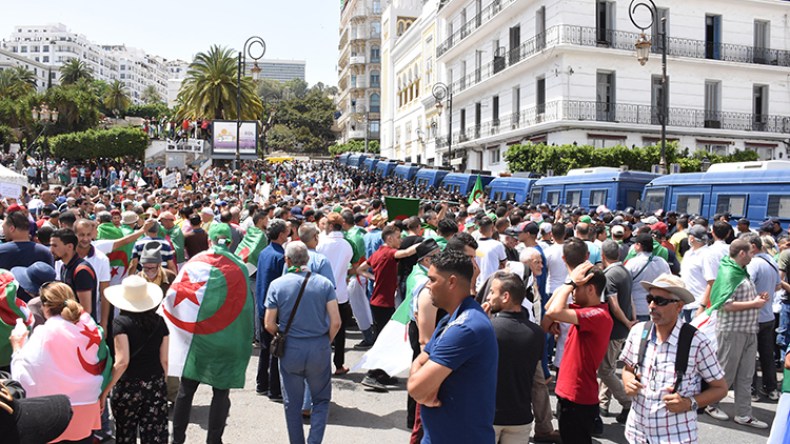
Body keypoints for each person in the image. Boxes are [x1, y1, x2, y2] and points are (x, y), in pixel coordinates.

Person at [620, 274, 728, 443]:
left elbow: (720, 388)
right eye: (650, 299)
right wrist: (628, 382)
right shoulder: (639, 332)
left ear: (679, 306)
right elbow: (627, 368)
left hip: (675, 437)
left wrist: (689, 403)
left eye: (660, 301)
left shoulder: (696, 342)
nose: (652, 306)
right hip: (637, 434)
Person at [407, 249, 498, 443]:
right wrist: (425, 390)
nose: (428, 286)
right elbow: (420, 361)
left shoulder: (465, 328)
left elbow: (416, 388)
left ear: (452, 282)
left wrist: (425, 390)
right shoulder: (450, 319)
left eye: (432, 279)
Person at [10, 281, 108, 443]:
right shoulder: (90, 325)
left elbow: (22, 377)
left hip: (54, 414)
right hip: (88, 406)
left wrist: (17, 347)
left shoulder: (45, 333)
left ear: (45, 306)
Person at [264, 241, 341, 444]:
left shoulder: (277, 285)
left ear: (287, 260)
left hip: (291, 348)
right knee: (321, 400)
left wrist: (283, 333)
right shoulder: (324, 284)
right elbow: (336, 322)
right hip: (319, 347)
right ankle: (314, 441)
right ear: (307, 259)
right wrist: (327, 340)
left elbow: (269, 323)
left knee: (292, 403)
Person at [541, 249, 612, 444]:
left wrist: (569, 282)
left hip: (579, 397)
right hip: (568, 393)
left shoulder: (598, 315)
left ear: (590, 289)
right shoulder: (583, 309)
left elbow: (554, 310)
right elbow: (549, 310)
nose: (572, 294)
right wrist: (571, 282)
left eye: (576, 289)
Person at [704, 239, 770, 428]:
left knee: (746, 374)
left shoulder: (741, 271)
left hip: (748, 329)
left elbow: (738, 298)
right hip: (732, 330)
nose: (753, 255)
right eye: (750, 252)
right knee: (726, 371)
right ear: (742, 253)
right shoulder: (728, 272)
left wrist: (757, 299)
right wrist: (755, 303)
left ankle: (743, 414)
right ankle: (711, 404)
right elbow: (725, 304)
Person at [100, 275, 169, 444]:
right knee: (154, 435)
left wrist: (106, 390)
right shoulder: (160, 322)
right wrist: (162, 382)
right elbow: (165, 360)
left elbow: (122, 361)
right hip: (155, 384)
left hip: (128, 387)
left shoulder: (121, 323)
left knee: (125, 433)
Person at [484, 271, 544, 444]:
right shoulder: (537, 333)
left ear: (505, 296)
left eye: (492, 292)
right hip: (521, 416)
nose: (488, 297)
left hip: (489, 415)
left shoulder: (487, 329)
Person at [596, 239, 634, 427]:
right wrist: (631, 319)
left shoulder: (609, 275)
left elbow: (614, 303)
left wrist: (627, 321)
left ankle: (627, 402)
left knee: (605, 370)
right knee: (608, 367)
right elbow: (630, 298)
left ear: (603, 256)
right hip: (622, 328)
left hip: (614, 329)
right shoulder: (625, 271)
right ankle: (603, 403)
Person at [315, 215, 354, 375]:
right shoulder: (347, 245)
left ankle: (320, 364)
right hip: (340, 293)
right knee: (340, 331)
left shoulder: (322, 244)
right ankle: (338, 365)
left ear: (330, 226)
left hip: (323, 293)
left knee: (321, 329)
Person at [255, 219, 288, 399]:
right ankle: (274, 389)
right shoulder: (279, 256)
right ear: (281, 234)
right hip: (273, 309)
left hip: (262, 306)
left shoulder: (265, 252)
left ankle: (262, 384)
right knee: (276, 349)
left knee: (266, 348)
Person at [50, 228, 99, 318]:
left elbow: (86, 310)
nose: (51, 250)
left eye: (55, 246)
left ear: (70, 246)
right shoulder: (64, 267)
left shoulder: (82, 271)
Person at [625, 233, 671, 322]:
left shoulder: (632, 263)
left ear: (639, 245)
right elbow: (669, 283)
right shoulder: (662, 262)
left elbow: (626, 286)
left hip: (637, 309)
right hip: (658, 308)